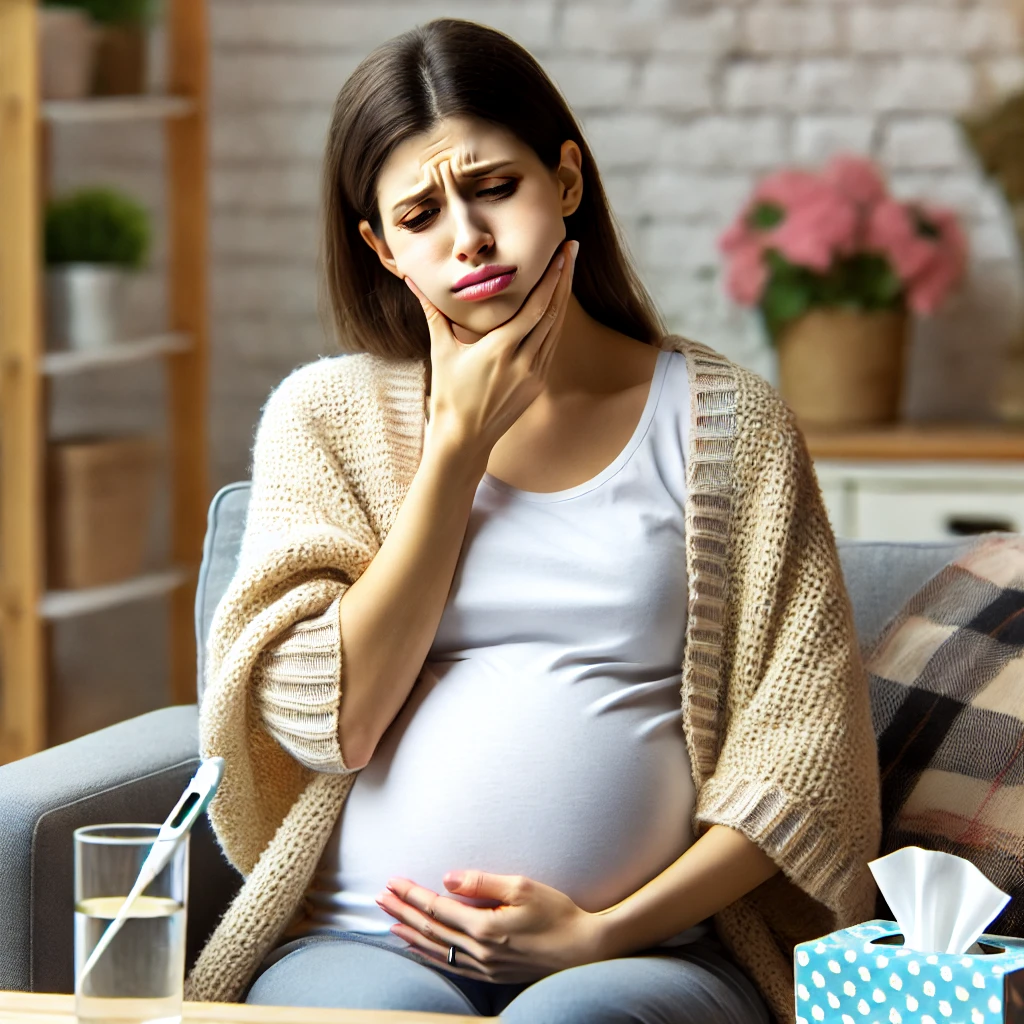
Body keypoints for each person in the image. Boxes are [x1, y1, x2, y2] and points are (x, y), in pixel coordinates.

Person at [184, 17, 881, 1024]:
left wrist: (607, 929)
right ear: (382, 250)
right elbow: (329, 725)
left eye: (494, 188)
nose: (466, 235)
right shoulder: (323, 418)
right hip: (358, 941)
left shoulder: (728, 423)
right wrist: (456, 448)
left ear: (564, 179)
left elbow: (804, 750)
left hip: (644, 950)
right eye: (420, 214)